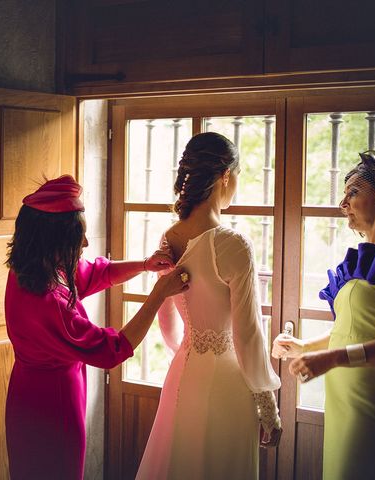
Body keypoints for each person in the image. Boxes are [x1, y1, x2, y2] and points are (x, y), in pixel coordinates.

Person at [4, 175, 190, 480]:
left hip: (27, 395)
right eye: (80, 237)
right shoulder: (47, 301)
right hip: (54, 404)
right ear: (54, 239)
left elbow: (96, 273)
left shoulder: (33, 268)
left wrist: (144, 264)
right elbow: (111, 350)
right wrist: (158, 295)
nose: (86, 244)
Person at [136, 132, 282, 480]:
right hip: (227, 385)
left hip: (183, 375)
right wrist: (268, 408)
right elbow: (248, 335)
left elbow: (168, 321)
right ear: (225, 176)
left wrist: (189, 351)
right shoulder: (234, 245)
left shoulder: (169, 237)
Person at [272, 150, 375, 480]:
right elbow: (354, 330)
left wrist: (333, 359)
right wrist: (304, 347)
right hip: (344, 400)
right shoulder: (367, 257)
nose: (343, 203)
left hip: (374, 400)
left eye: (353, 192)